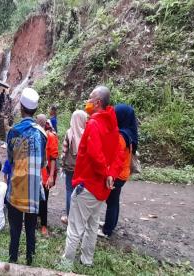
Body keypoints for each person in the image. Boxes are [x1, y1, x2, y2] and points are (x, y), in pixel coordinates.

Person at [62, 85, 125, 266]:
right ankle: (87, 259)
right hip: (102, 188)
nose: (87, 102)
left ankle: (66, 264)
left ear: (97, 102)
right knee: (92, 225)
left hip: (88, 184)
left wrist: (106, 173)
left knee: (75, 227)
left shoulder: (94, 123)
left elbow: (95, 154)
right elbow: (119, 154)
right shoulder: (113, 124)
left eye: (90, 98)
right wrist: (111, 174)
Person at [6, 87, 46, 265]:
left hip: (16, 190)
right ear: (35, 110)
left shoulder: (13, 132)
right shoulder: (42, 134)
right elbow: (43, 163)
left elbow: (10, 159)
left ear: (21, 108)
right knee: (31, 230)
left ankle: (12, 262)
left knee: (15, 231)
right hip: (33, 193)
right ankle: (30, 262)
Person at [98, 103, 138, 238]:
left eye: (116, 115)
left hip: (118, 174)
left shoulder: (121, 136)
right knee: (114, 201)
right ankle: (111, 224)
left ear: (121, 117)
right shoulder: (129, 132)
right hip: (123, 173)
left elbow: (115, 158)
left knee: (111, 202)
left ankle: (107, 230)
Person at [60, 110, 88, 224]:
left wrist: (62, 165)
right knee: (81, 191)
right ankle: (80, 217)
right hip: (82, 168)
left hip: (70, 167)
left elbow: (64, 151)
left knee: (69, 190)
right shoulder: (87, 133)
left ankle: (69, 216)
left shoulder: (69, 132)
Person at [36, 115, 58, 236]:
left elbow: (53, 158)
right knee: (35, 199)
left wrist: (50, 176)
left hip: (45, 175)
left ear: (44, 124)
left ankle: (44, 225)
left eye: (40, 123)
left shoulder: (51, 137)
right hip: (35, 174)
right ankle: (35, 219)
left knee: (44, 200)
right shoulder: (34, 135)